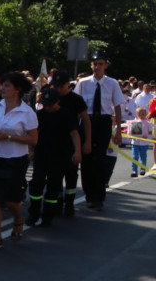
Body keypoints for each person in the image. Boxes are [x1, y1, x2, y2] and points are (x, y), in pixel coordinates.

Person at [0, 71, 38, 250]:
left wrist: (9, 137)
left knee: (12, 200)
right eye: (1, 84)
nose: (1, 88)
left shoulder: (27, 112)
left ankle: (18, 219)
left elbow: (33, 139)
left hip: (15, 159)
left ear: (17, 89)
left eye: (6, 85)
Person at [74, 51, 125, 210]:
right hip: (87, 119)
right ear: (91, 65)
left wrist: (118, 132)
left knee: (100, 159)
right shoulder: (83, 82)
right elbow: (76, 105)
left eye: (101, 64)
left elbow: (117, 106)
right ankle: (89, 195)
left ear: (105, 66)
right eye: (95, 64)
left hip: (103, 121)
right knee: (87, 159)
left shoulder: (112, 83)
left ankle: (99, 196)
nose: (97, 67)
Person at [27, 88, 81, 226]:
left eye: (50, 104)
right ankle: (34, 213)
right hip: (41, 154)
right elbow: (33, 133)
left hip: (60, 156)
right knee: (36, 183)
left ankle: (48, 216)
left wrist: (77, 152)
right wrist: (30, 150)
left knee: (54, 186)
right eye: (45, 104)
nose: (47, 107)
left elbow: (74, 134)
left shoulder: (66, 115)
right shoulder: (40, 115)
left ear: (57, 101)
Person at [50, 70, 90, 217]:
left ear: (68, 84)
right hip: (55, 142)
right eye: (56, 86)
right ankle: (58, 203)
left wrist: (87, 142)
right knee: (56, 175)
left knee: (71, 174)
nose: (58, 89)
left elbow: (85, 120)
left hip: (72, 142)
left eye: (61, 86)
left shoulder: (76, 99)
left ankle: (69, 204)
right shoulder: (52, 97)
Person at [128, 106, 154, 176]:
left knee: (143, 156)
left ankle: (143, 168)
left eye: (143, 114)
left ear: (146, 114)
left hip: (144, 143)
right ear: (137, 114)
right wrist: (131, 135)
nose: (141, 116)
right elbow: (130, 132)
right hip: (135, 142)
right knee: (134, 156)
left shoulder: (148, 123)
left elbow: (150, 133)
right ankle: (134, 171)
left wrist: (146, 136)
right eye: (139, 114)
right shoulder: (133, 122)